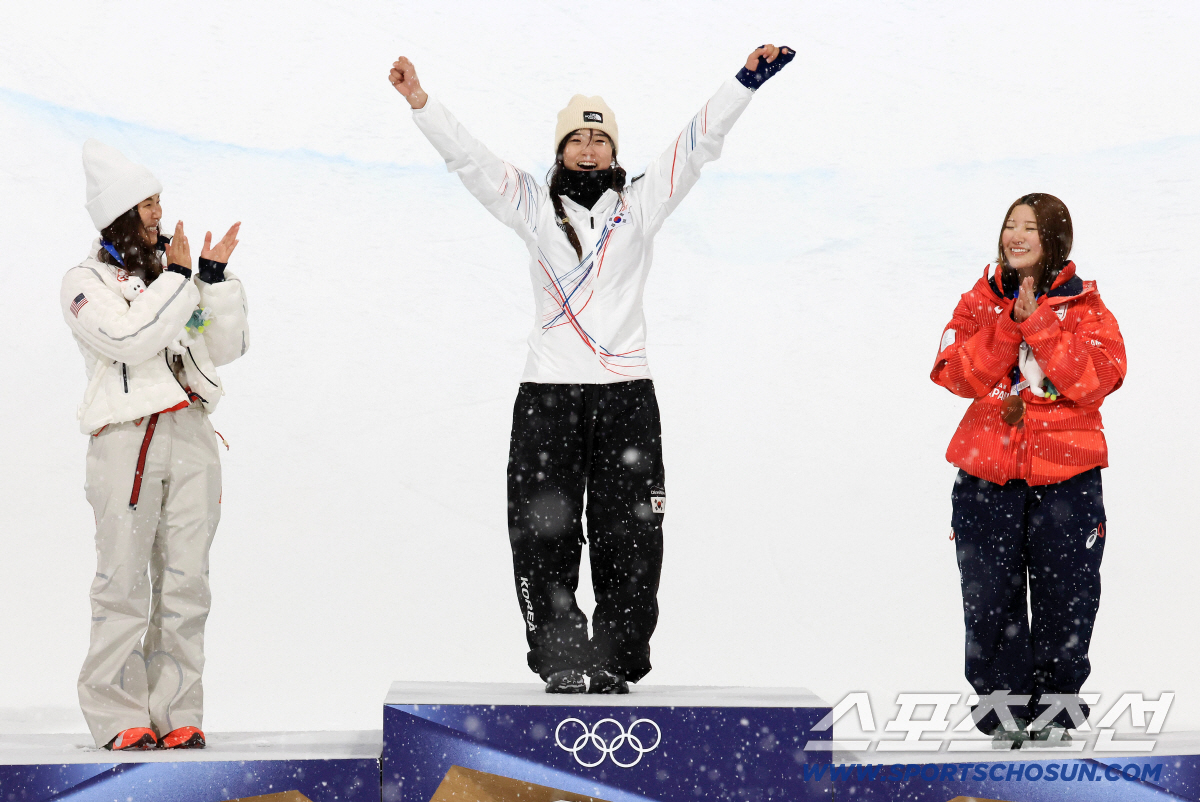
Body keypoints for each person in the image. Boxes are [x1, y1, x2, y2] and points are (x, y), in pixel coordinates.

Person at [389, 46, 793, 693]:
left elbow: (696, 144)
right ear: (560, 148)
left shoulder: (641, 202)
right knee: (543, 535)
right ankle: (561, 659)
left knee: (630, 538)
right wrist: (421, 102)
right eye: (576, 137)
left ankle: (613, 658)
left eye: (598, 138)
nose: (587, 148)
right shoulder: (528, 201)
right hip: (548, 393)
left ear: (613, 150)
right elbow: (468, 157)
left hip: (625, 395)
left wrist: (744, 81)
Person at [63, 140, 250, 749]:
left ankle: (176, 712)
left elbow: (223, 348)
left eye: (158, 201)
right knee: (123, 582)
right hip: (127, 440)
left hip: (191, 433)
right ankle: (119, 715)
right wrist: (178, 277)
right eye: (145, 203)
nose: (156, 212)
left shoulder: (173, 277)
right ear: (116, 213)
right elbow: (130, 339)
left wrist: (212, 280)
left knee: (187, 580)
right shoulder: (84, 281)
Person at [931, 193, 1126, 747]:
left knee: (1068, 599)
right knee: (990, 600)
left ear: (1054, 239)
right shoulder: (977, 301)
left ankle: (1057, 719)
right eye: (1010, 226)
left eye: (1030, 228)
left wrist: (1038, 322)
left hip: (1068, 482)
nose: (1015, 236)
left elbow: (1093, 382)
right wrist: (1004, 328)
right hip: (985, 481)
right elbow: (954, 375)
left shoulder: (1088, 309)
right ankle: (1004, 718)